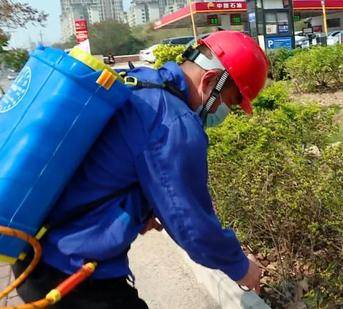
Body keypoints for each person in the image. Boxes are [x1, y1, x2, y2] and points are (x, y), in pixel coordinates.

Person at [13, 31, 269, 308]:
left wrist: (139, 209)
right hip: (71, 273)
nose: (224, 112)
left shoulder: (143, 86)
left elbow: (107, 167)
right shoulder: (174, 123)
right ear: (209, 82)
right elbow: (193, 226)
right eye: (229, 102)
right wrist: (241, 266)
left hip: (37, 253)